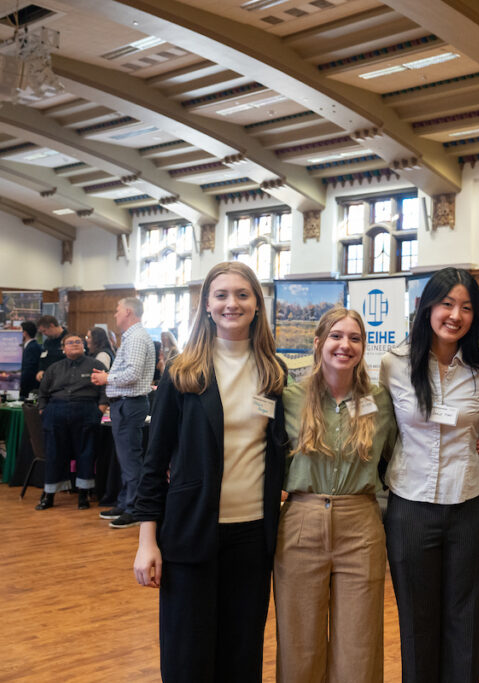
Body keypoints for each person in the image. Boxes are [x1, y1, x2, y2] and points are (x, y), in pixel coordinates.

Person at [132, 261, 288, 683]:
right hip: (190, 534)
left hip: (253, 538)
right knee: (188, 659)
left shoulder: (273, 373)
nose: (231, 303)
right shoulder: (183, 373)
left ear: (257, 305)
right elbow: (153, 463)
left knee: (241, 657)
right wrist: (148, 541)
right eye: (221, 295)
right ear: (205, 305)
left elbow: (282, 449)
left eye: (242, 294)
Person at [380, 268, 479, 683]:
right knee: (416, 622)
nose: (456, 314)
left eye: (467, 307)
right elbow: (379, 431)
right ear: (427, 307)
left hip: (468, 506)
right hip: (410, 508)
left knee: (465, 621)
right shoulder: (393, 364)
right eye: (447, 303)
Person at [274, 307, 397, 683]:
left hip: (360, 524)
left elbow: (396, 457)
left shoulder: (381, 400)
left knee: (359, 645)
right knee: (300, 643)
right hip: (300, 522)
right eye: (336, 336)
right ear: (318, 343)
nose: (345, 345)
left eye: (355, 338)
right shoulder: (289, 398)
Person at [90, 298, 156, 529]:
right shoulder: (132, 336)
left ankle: (135, 509)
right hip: (125, 404)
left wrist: (107, 378)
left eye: (117, 311)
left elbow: (133, 374)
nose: (115, 315)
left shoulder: (136, 337)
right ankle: (126, 502)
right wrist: (107, 377)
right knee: (126, 459)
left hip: (129, 404)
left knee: (130, 460)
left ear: (128, 312)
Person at [34, 334, 106, 510]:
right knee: (54, 454)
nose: (74, 344)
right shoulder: (54, 368)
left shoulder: (96, 366)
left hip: (86, 410)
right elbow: (42, 392)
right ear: (63, 348)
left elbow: (105, 389)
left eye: (78, 342)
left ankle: (83, 496)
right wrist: (44, 410)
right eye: (70, 342)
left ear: (84, 346)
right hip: (56, 411)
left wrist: (100, 410)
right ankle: (49, 495)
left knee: (86, 453)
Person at [35, 315, 67, 381]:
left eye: (44, 331)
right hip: (48, 379)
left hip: (63, 378)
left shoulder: (69, 339)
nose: (44, 334)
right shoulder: (47, 342)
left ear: (52, 326)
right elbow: (43, 357)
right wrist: (41, 370)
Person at [19, 321, 41, 399]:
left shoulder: (32, 347)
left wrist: (21, 384)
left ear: (25, 333)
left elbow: (29, 369)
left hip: (29, 388)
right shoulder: (30, 346)